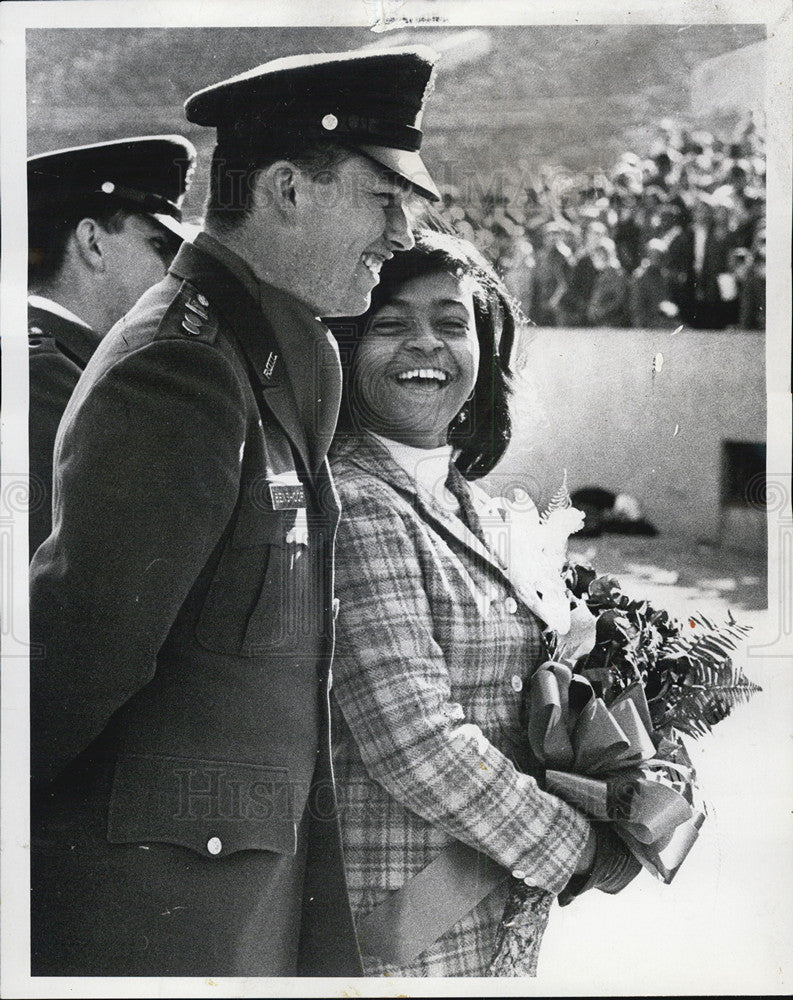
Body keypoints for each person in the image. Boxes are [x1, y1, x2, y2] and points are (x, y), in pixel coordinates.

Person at [29, 45, 440, 977]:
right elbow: (78, 650)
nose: (397, 233)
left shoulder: (287, 355)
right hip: (154, 918)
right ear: (289, 190)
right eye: (384, 199)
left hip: (245, 901)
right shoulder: (178, 367)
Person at [325, 230, 640, 977]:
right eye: (390, 324)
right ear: (343, 347)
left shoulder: (462, 499)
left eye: (451, 323)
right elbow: (416, 743)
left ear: (484, 350)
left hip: (491, 926)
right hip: (406, 935)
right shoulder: (356, 502)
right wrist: (584, 846)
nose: (424, 345)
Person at [26, 135, 196, 555]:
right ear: (93, 243)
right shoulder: (42, 377)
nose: (177, 273)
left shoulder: (76, 366)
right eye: (159, 246)